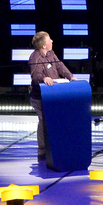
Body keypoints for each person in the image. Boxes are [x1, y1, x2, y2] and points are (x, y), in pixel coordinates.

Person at [27, 31, 76, 159]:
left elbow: (60, 66)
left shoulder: (51, 54)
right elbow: (36, 75)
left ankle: (55, 147)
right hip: (39, 97)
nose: (52, 41)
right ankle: (42, 151)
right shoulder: (35, 58)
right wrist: (44, 78)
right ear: (44, 45)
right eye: (49, 40)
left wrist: (70, 77)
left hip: (53, 95)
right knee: (44, 121)